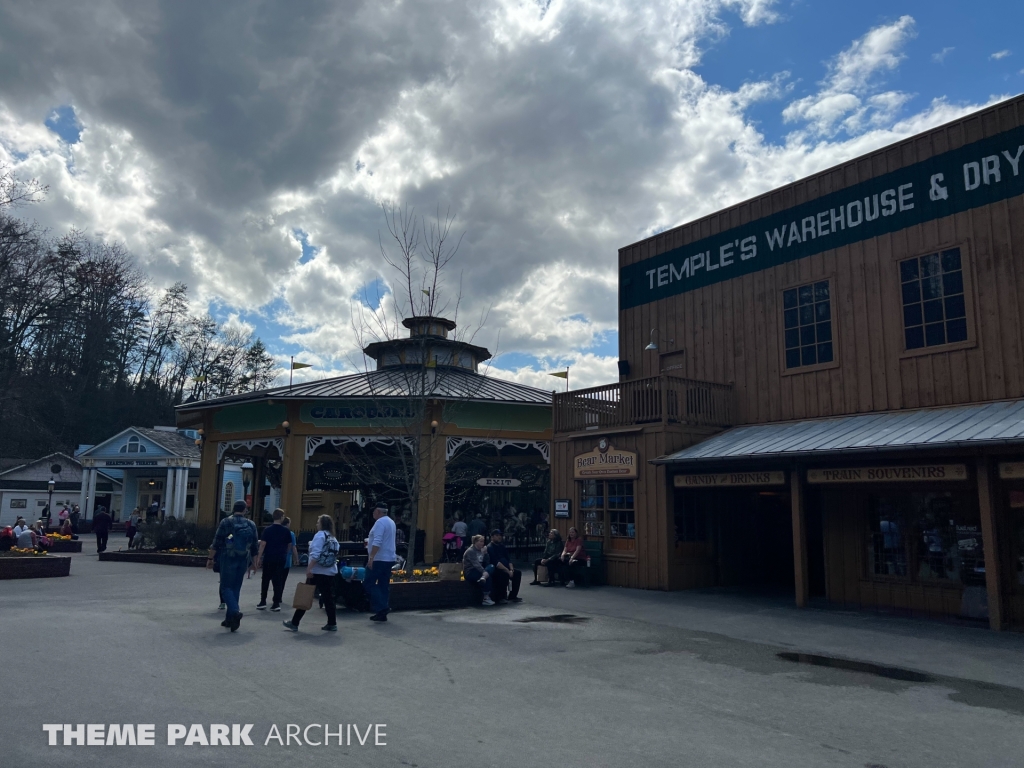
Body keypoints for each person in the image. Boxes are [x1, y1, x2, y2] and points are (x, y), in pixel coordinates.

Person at [206, 500, 258, 632]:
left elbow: (217, 542)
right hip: (243, 559)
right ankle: (229, 619)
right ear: (245, 510)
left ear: (233, 509)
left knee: (225, 587)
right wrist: (254, 563)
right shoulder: (251, 524)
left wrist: (210, 558)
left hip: (228, 557)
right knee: (236, 587)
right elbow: (254, 546)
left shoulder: (226, 522)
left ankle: (234, 612)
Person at [282, 514, 339, 632]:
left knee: (305, 596)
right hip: (330, 571)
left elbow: (315, 554)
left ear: (322, 524)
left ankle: (294, 622)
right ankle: (332, 623)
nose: (317, 524)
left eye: (318, 522)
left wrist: (309, 569)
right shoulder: (333, 537)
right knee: (329, 598)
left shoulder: (320, 535)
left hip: (317, 571)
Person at [363, 502, 397, 622]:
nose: (373, 513)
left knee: (368, 583)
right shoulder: (391, 522)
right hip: (389, 557)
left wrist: (371, 557)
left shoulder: (380, 523)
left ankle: (382, 607)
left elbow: (377, 541)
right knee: (383, 584)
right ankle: (382, 612)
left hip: (379, 558)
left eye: (374, 511)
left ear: (378, 512)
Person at [255, 508, 293, 611]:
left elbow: (263, 544)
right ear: (281, 517)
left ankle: (263, 601)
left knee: (266, 579)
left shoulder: (267, 530)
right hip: (280, 557)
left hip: (269, 557)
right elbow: (289, 544)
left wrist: (259, 557)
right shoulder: (286, 531)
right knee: (278, 580)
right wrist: (285, 552)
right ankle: (276, 603)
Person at [487, 529, 522, 603]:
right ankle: (501, 597)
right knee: (503, 574)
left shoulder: (502, 546)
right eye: (497, 535)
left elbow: (508, 559)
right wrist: (507, 570)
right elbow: (496, 562)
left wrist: (511, 570)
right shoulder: (490, 547)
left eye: (500, 535)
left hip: (507, 568)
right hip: (498, 569)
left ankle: (512, 596)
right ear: (492, 537)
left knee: (517, 573)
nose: (499, 537)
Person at [463, 535, 495, 606]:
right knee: (488, 576)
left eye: (483, 541)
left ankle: (483, 578)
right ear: (475, 542)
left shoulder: (482, 550)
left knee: (492, 566)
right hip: (471, 571)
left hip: (480, 570)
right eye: (480, 541)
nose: (482, 543)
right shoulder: (470, 551)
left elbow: (487, 563)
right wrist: (484, 572)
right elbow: (476, 564)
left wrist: (485, 553)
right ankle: (486, 598)